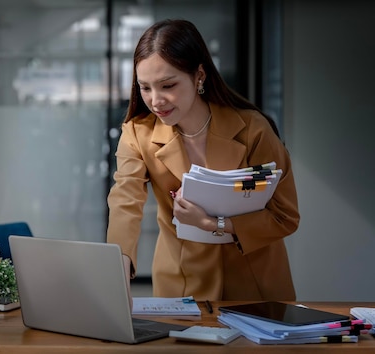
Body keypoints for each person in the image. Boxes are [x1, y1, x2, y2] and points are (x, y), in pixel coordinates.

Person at [106, 19, 299, 302]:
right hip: (182, 286)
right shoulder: (138, 134)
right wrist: (118, 269)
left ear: (199, 76)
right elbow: (125, 201)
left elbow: (285, 216)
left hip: (256, 286)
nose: (156, 100)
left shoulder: (253, 130)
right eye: (145, 88)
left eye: (167, 85)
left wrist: (213, 224)